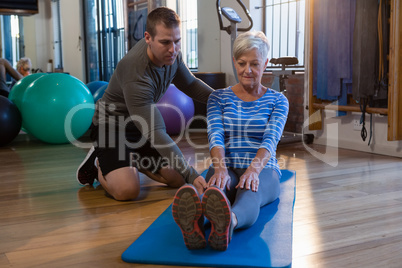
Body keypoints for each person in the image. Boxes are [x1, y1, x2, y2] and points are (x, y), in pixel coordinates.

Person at [76, 7, 213, 201]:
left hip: (140, 125)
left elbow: (190, 84)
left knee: (177, 179)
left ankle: (134, 159)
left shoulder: (172, 55)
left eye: (177, 41)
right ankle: (98, 163)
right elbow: (157, 134)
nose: (173, 49)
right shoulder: (135, 70)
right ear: (148, 38)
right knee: (127, 191)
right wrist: (192, 174)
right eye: (165, 42)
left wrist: (222, 99)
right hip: (113, 126)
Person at [172, 31, 289, 251]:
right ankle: (196, 224)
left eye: (254, 63)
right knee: (215, 191)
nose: (248, 70)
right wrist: (221, 170)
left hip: (263, 169)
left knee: (250, 192)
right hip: (227, 166)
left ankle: (229, 223)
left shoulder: (278, 100)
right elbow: (215, 135)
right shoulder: (218, 97)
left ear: (265, 63)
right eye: (242, 63)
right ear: (234, 62)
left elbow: (270, 140)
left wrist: (253, 171)